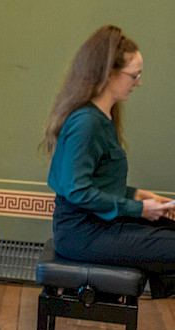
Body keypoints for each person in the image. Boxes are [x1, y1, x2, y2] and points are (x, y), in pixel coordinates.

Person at [42, 25, 175, 296]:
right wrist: (139, 209)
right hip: (82, 234)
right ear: (109, 73)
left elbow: (99, 183)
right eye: (134, 75)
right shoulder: (86, 123)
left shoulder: (103, 117)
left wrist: (139, 196)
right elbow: (78, 190)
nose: (138, 83)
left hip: (100, 225)